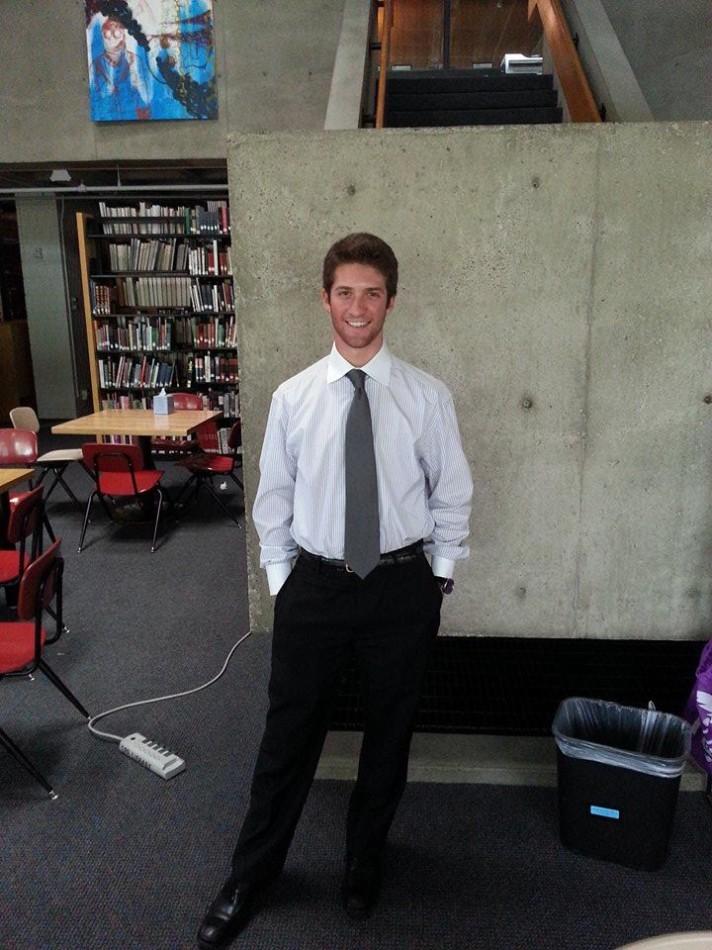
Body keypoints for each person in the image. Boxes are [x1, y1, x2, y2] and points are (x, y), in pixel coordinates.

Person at [197, 233, 473, 949]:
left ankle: (364, 861)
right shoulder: (292, 399)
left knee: (389, 736)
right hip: (316, 589)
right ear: (326, 299)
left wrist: (437, 577)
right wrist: (288, 586)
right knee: (287, 739)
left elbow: (453, 494)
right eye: (345, 292)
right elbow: (273, 504)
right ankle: (252, 875)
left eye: (371, 293)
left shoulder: (426, 396)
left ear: (391, 301)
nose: (358, 307)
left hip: (401, 587)